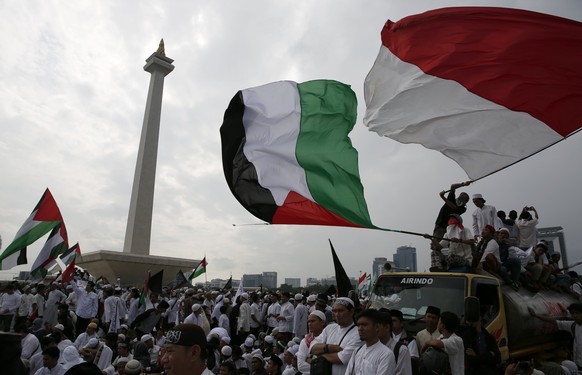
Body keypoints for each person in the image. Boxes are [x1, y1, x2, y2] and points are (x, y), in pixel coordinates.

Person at [309, 297, 362, 375]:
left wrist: (321, 354)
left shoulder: (358, 333)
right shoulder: (330, 328)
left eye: (340, 311)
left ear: (351, 312)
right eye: (334, 311)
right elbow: (312, 348)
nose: (337, 314)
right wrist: (330, 347)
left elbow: (342, 358)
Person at [529, 302, 582, 370]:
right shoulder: (573, 325)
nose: (574, 316)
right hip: (577, 363)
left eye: (577, 313)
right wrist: (536, 315)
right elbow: (555, 322)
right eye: (572, 313)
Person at [345, 309, 395, 375]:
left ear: (376, 327)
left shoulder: (386, 355)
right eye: (359, 325)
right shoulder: (357, 351)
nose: (360, 328)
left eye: (364, 325)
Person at [377, 309, 412, 375]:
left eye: (377, 326)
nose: (374, 329)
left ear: (387, 327)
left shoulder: (401, 350)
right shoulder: (366, 348)